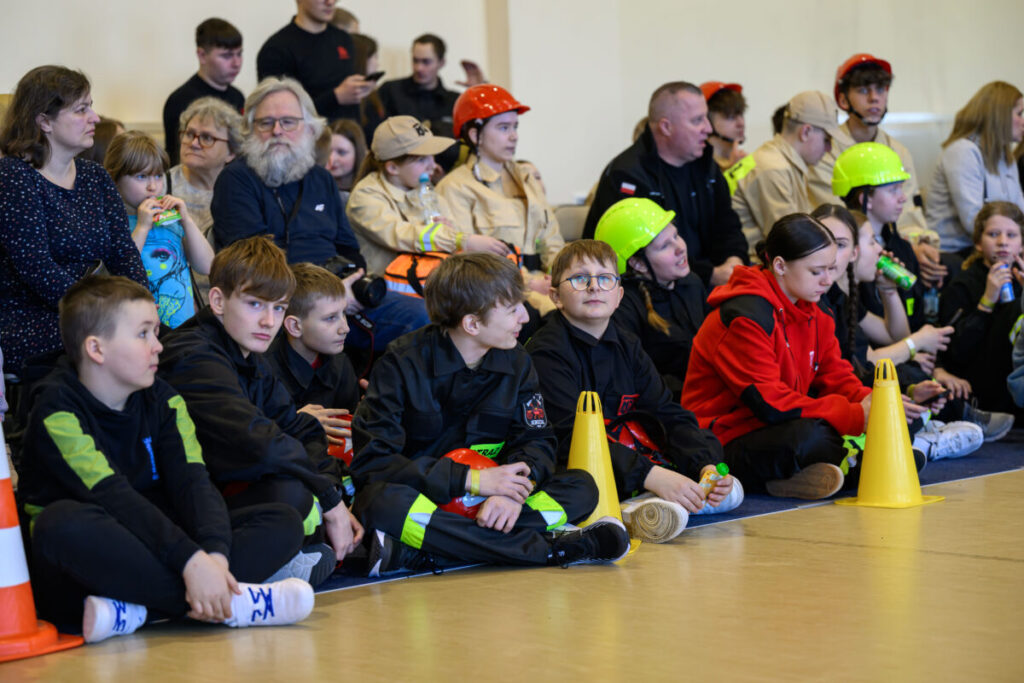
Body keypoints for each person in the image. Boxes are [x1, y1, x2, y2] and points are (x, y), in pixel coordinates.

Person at [18, 275, 314, 642]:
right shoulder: (56, 409)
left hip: (157, 540)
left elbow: (193, 483)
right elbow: (112, 497)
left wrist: (214, 558)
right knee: (60, 524)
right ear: (97, 349)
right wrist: (191, 562)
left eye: (156, 332)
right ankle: (235, 603)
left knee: (282, 519)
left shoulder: (164, 398)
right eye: (144, 334)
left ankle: (140, 610)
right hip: (92, 557)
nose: (159, 346)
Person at [350, 253, 629, 574]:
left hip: (492, 503)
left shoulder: (518, 360)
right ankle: (552, 550)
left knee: (582, 486)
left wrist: (514, 492)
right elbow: (373, 463)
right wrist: (473, 481)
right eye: (512, 310)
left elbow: (537, 440)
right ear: (471, 323)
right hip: (427, 498)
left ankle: (424, 554)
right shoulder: (401, 363)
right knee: (380, 503)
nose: (525, 317)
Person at [159, 237, 364, 571]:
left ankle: (276, 568)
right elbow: (261, 441)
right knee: (291, 497)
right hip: (173, 508)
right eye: (256, 304)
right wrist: (330, 503)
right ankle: (214, 584)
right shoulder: (193, 355)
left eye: (279, 307)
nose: (270, 321)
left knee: (298, 495)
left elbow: (298, 428)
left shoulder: (250, 356)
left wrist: (335, 498)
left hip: (215, 495)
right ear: (218, 301)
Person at [526, 240, 742, 544]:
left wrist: (703, 464)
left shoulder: (627, 344)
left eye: (605, 279)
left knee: (730, 492)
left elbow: (666, 411)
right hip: (581, 464)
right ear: (555, 296)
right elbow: (568, 437)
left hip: (636, 458)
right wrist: (650, 475)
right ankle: (634, 509)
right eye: (579, 279)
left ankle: (653, 502)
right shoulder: (546, 351)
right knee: (580, 483)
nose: (593, 287)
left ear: (618, 296)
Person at [210, 77, 430, 351]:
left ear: (310, 130)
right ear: (250, 130)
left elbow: (349, 247)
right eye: (265, 123)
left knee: (425, 316)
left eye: (288, 122)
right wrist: (329, 297)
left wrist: (352, 284)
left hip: (340, 293)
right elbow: (251, 267)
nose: (277, 131)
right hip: (280, 301)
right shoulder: (236, 180)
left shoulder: (320, 179)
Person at [681, 214, 871, 500]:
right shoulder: (745, 316)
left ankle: (801, 477)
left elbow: (837, 376)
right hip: (725, 440)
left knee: (891, 419)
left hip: (773, 428)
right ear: (780, 265)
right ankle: (854, 463)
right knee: (811, 437)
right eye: (817, 271)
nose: (828, 280)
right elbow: (770, 404)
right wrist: (856, 415)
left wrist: (879, 405)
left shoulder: (816, 311)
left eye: (832, 269)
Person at [0, 65, 147, 376]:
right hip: (33, 319)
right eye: (81, 110)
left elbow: (123, 252)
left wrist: (142, 304)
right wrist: (103, 312)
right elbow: (36, 268)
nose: (94, 118)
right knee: (124, 350)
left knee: (167, 342)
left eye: (90, 107)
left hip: (92, 313)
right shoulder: (14, 176)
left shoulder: (95, 177)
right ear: (44, 121)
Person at [813, 204, 984, 461]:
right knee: (898, 377)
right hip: (828, 404)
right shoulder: (820, 299)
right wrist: (915, 343)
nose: (879, 250)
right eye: (871, 242)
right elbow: (868, 360)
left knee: (907, 382)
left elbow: (893, 335)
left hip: (845, 395)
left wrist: (888, 291)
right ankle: (920, 442)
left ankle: (918, 433)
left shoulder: (842, 298)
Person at [583, 81, 747, 288]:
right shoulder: (627, 176)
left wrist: (734, 260)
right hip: (649, 293)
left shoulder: (706, 167)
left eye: (706, 118)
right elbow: (642, 259)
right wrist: (710, 275)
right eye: (697, 120)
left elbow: (728, 226)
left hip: (708, 284)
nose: (708, 128)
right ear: (666, 127)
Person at [807, 53, 939, 285]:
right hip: (843, 255)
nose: (874, 98)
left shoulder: (898, 151)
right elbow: (835, 216)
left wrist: (920, 245)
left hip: (892, 244)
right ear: (844, 99)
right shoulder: (827, 150)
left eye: (881, 89)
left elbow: (909, 212)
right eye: (863, 90)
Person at [436, 85, 562, 318]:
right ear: (475, 135)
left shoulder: (526, 177)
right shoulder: (454, 187)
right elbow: (467, 261)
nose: (514, 135)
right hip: (497, 294)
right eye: (504, 128)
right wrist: (529, 284)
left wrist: (561, 276)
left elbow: (551, 237)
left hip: (545, 286)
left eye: (515, 127)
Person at [347, 115, 506, 282]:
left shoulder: (425, 190)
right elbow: (403, 235)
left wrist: (451, 234)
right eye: (422, 159)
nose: (433, 165)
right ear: (392, 167)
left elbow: (449, 236)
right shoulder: (365, 196)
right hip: (390, 289)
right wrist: (459, 240)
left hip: (429, 283)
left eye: (432, 156)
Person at [595, 198, 706, 399]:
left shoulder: (691, 283)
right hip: (667, 405)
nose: (680, 247)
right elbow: (636, 380)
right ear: (638, 264)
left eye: (676, 235)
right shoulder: (622, 307)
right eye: (664, 246)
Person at [104, 131, 214, 328]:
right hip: (139, 329)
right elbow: (121, 271)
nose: (153, 186)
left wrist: (187, 220)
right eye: (142, 176)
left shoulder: (170, 220)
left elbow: (207, 266)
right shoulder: (113, 224)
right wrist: (142, 227)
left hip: (184, 327)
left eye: (158, 175)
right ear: (115, 179)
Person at [940, 202, 1024, 420]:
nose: (1002, 242)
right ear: (978, 242)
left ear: (1022, 243)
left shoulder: (1021, 279)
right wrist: (986, 301)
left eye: (1011, 235)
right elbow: (955, 353)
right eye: (993, 234)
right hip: (981, 385)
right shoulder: (962, 285)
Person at [266, 262, 361, 450]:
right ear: (294, 326)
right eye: (330, 318)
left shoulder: (341, 364)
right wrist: (296, 422)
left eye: (343, 314)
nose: (345, 328)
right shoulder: (265, 373)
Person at [733, 91, 840, 255]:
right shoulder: (773, 168)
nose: (829, 149)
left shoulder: (781, 161)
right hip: (751, 270)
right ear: (805, 132)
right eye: (826, 139)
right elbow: (793, 245)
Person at [926, 81, 1024, 258]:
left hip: (994, 249)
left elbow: (1020, 213)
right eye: (1019, 113)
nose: (1023, 121)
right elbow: (974, 223)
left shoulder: (1005, 156)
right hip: (957, 254)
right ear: (1000, 116)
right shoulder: (963, 151)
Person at [256, 0, 372, 121]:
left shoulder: (343, 39)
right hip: (308, 137)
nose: (330, 2)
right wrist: (335, 97)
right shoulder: (277, 49)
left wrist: (361, 88)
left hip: (348, 133)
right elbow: (278, 113)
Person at [162, 18, 244, 167]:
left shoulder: (238, 97)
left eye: (239, 54)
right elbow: (177, 158)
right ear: (202, 55)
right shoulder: (180, 100)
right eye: (226, 55)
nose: (236, 63)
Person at [377, 34, 460, 151]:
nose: (419, 68)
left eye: (426, 62)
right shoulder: (390, 91)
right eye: (415, 61)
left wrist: (478, 87)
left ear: (441, 63)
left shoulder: (454, 101)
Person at [700, 81, 753, 195]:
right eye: (730, 117)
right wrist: (732, 172)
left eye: (741, 114)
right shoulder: (699, 166)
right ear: (706, 120)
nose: (741, 123)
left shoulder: (747, 160)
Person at [323, 118, 367, 208]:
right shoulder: (314, 188)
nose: (332, 158)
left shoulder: (369, 192)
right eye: (328, 151)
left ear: (357, 154)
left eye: (341, 152)